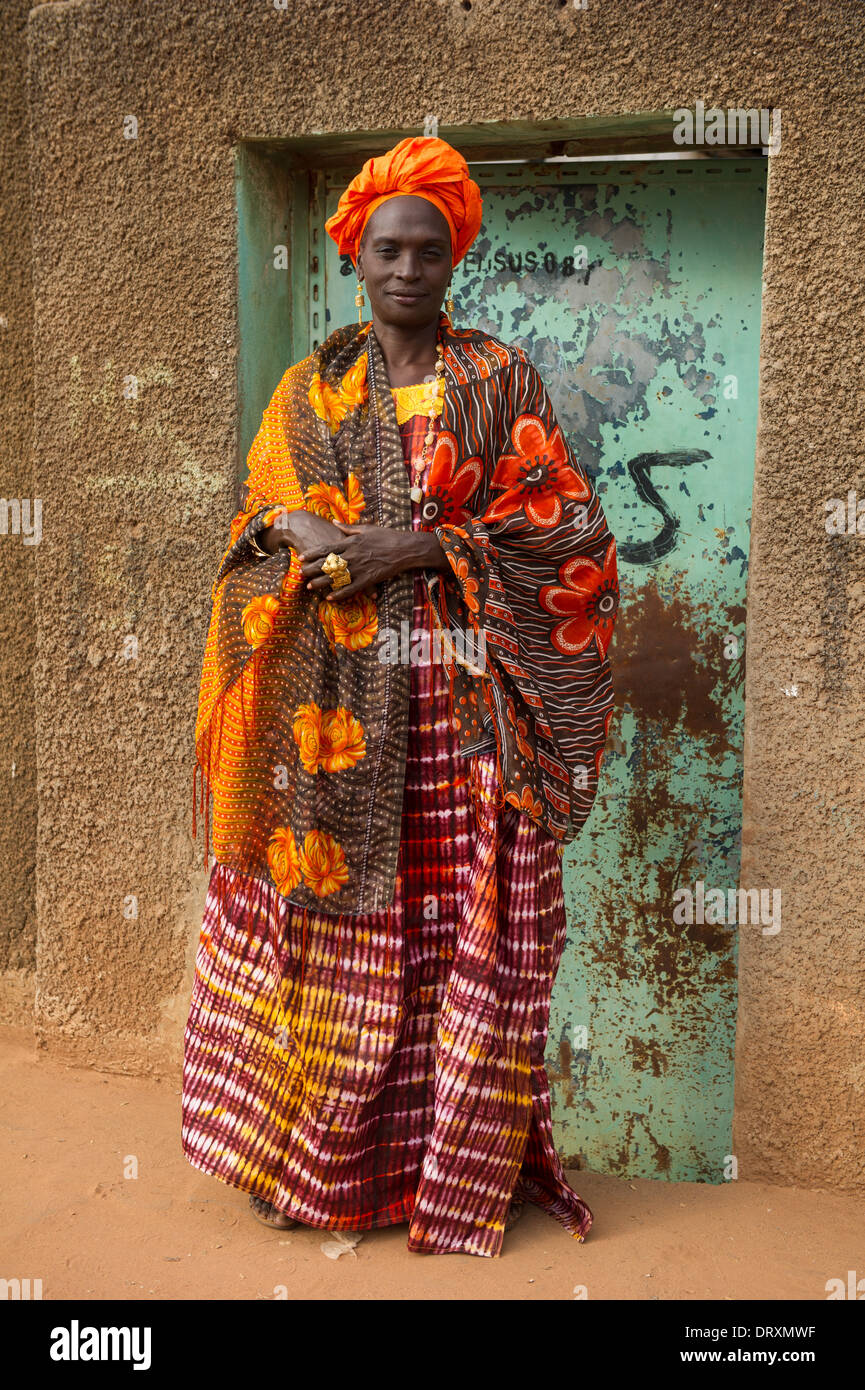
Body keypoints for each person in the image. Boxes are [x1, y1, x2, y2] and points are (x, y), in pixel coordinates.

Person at [182, 135, 618, 1259]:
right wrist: (295, 528)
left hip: (461, 717)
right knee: (331, 944)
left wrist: (418, 550)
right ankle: (320, 1175)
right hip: (332, 731)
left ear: (454, 258)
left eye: (431, 249)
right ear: (355, 258)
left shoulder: (497, 380)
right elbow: (252, 522)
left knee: (450, 933)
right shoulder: (308, 389)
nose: (410, 268)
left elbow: (561, 536)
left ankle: (449, 1174)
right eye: (389, 248)